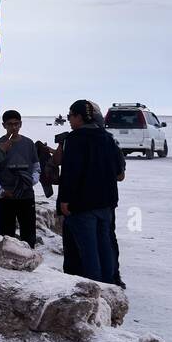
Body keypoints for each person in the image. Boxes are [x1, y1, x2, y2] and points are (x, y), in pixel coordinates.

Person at [57, 99, 121, 284]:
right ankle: (109, 286)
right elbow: (117, 170)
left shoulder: (76, 139)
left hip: (82, 205)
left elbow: (71, 172)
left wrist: (65, 200)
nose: (68, 120)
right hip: (105, 203)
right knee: (105, 248)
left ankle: (95, 289)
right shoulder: (107, 138)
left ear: (79, 117)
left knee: (89, 251)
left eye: (70, 116)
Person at [0, 109, 40, 246]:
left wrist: (30, 182)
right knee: (6, 236)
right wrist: (1, 191)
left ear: (20, 124)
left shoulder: (29, 143)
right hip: (5, 198)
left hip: (26, 196)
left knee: (29, 234)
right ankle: (6, 266)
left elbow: (37, 168)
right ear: (4, 125)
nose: (13, 127)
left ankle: (29, 260)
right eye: (9, 124)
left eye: (16, 124)